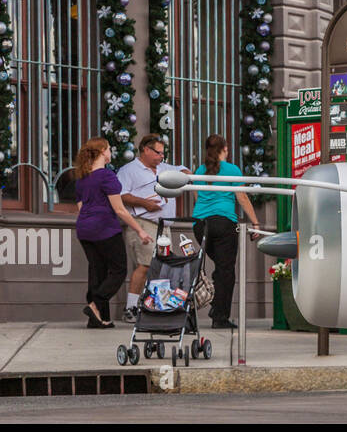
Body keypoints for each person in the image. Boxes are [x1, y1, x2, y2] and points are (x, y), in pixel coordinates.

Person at [74, 138, 150, 328]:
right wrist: (140, 230)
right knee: (118, 270)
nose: (111, 151)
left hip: (84, 229)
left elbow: (81, 207)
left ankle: (100, 319)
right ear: (101, 152)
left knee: (97, 271)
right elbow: (120, 210)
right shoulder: (107, 176)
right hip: (105, 228)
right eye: (108, 148)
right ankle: (95, 304)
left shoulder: (82, 179)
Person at [116, 134, 187, 321]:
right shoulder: (129, 170)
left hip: (164, 226)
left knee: (163, 267)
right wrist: (144, 203)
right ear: (146, 150)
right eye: (158, 152)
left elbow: (183, 170)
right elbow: (121, 195)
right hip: (143, 222)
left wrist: (187, 176)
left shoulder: (163, 168)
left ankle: (158, 304)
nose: (161, 156)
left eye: (163, 153)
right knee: (145, 265)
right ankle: (130, 308)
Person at [192, 135, 260, 330]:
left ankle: (216, 306)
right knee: (226, 270)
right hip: (223, 223)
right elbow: (242, 198)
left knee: (220, 268)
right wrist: (255, 222)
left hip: (200, 224)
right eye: (227, 148)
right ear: (224, 148)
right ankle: (219, 316)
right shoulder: (232, 170)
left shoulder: (200, 170)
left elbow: (197, 196)